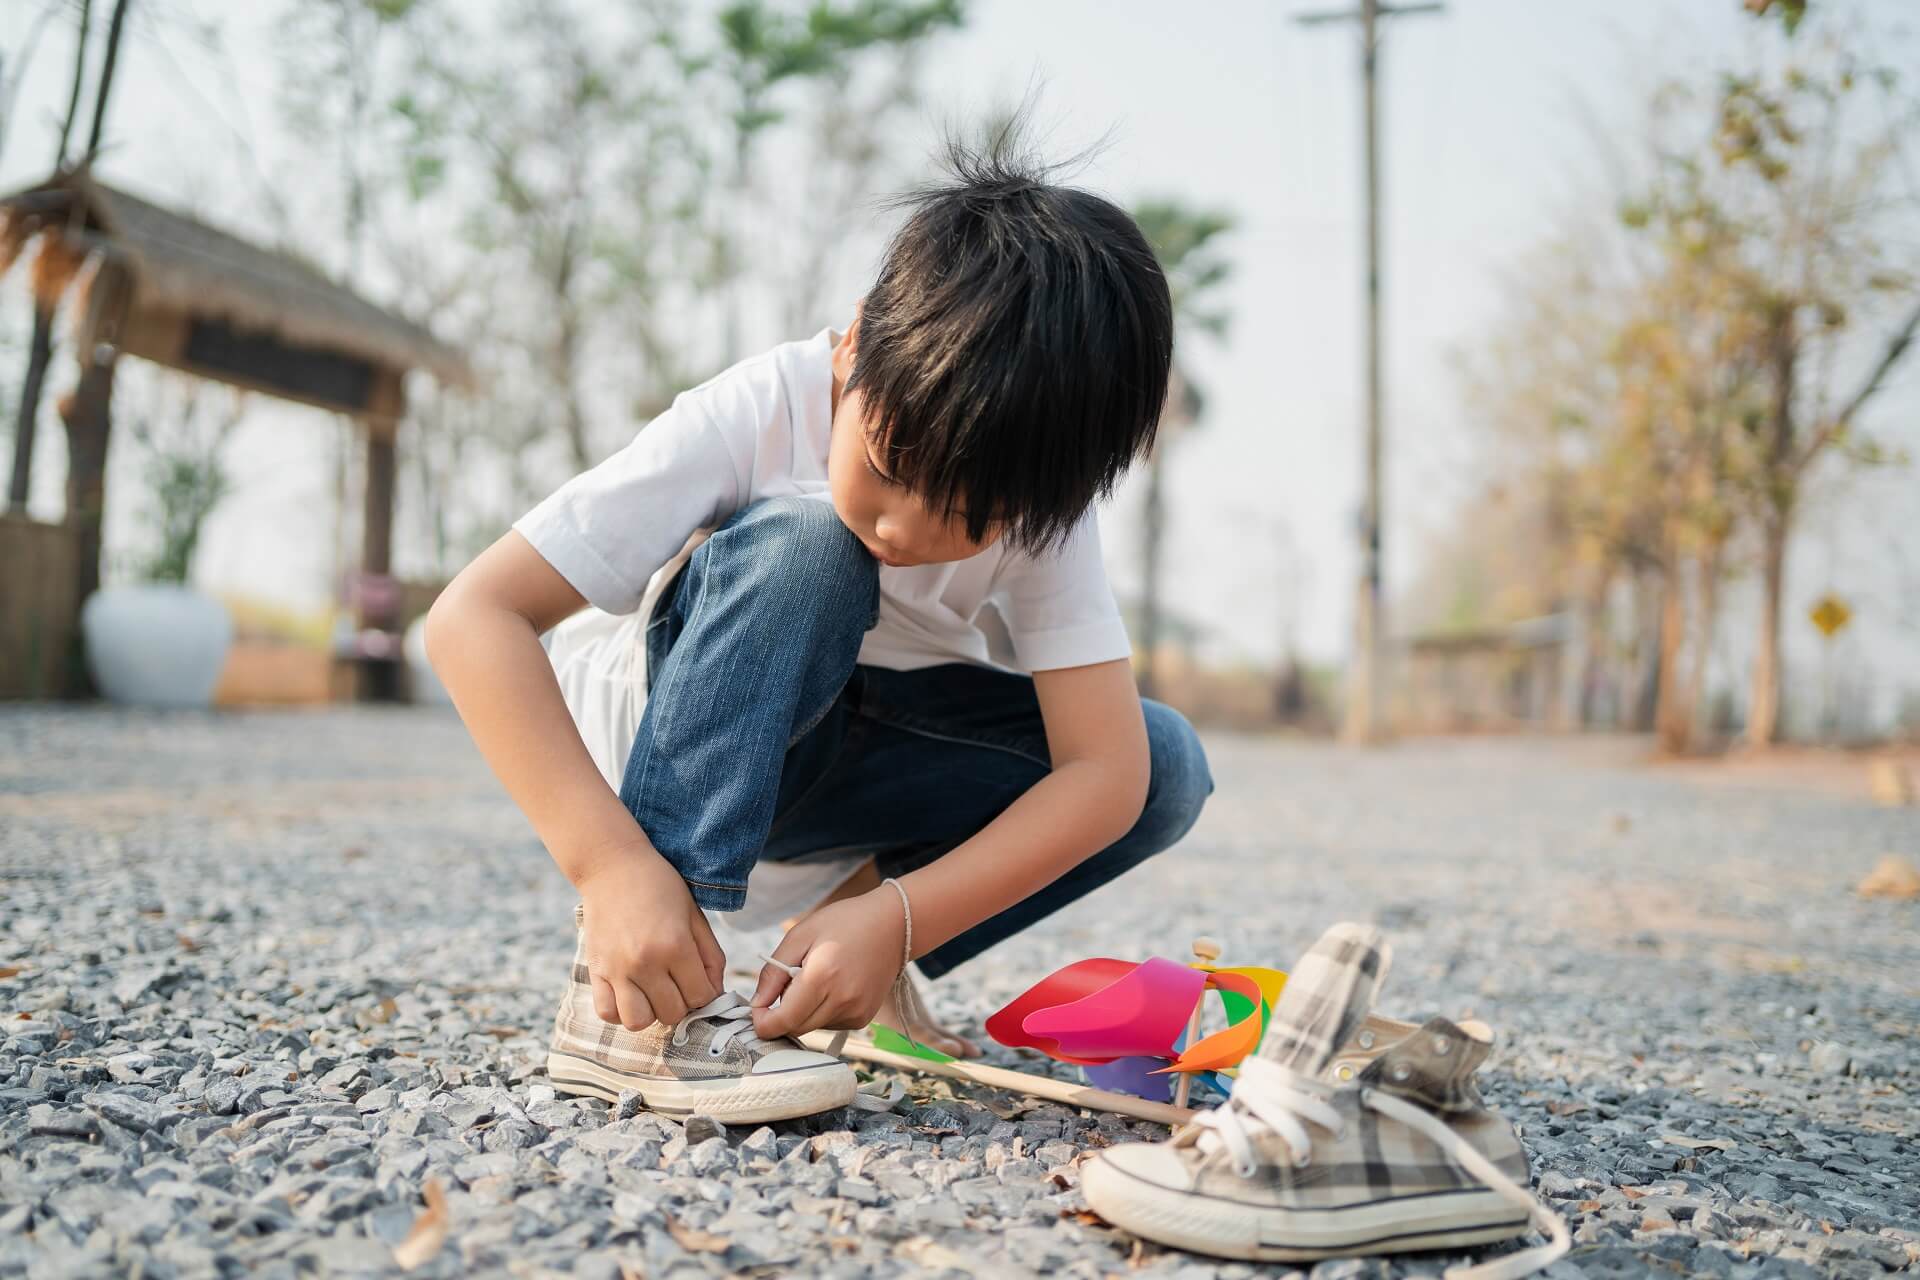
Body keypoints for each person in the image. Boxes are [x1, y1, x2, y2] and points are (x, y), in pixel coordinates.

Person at [426, 121, 1214, 1123]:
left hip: (850, 770)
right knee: (815, 550)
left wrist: (897, 917)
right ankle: (627, 1002)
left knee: (1162, 761)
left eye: (971, 518)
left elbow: (1108, 775)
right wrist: (610, 865)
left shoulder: (1039, 494)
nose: (904, 527)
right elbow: (474, 615)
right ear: (852, 348)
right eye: (887, 467)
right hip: (668, 752)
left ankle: (849, 968)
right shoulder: (759, 407)